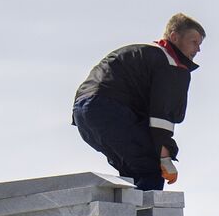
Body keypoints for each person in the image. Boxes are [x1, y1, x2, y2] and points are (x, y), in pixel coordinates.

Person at [72, 13, 205, 191]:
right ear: (174, 37)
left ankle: (124, 212)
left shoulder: (143, 52)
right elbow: (162, 117)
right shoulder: (172, 64)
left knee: (131, 170)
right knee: (151, 168)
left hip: (83, 114)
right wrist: (165, 160)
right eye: (194, 42)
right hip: (108, 109)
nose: (197, 50)